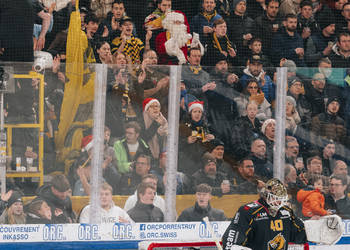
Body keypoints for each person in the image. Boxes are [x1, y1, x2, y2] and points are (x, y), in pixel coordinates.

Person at [222, 178, 307, 249]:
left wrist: (313, 230)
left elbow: (300, 235)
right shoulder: (248, 211)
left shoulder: (286, 211)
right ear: (267, 195)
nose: (280, 203)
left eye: (282, 199)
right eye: (276, 198)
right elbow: (230, 240)